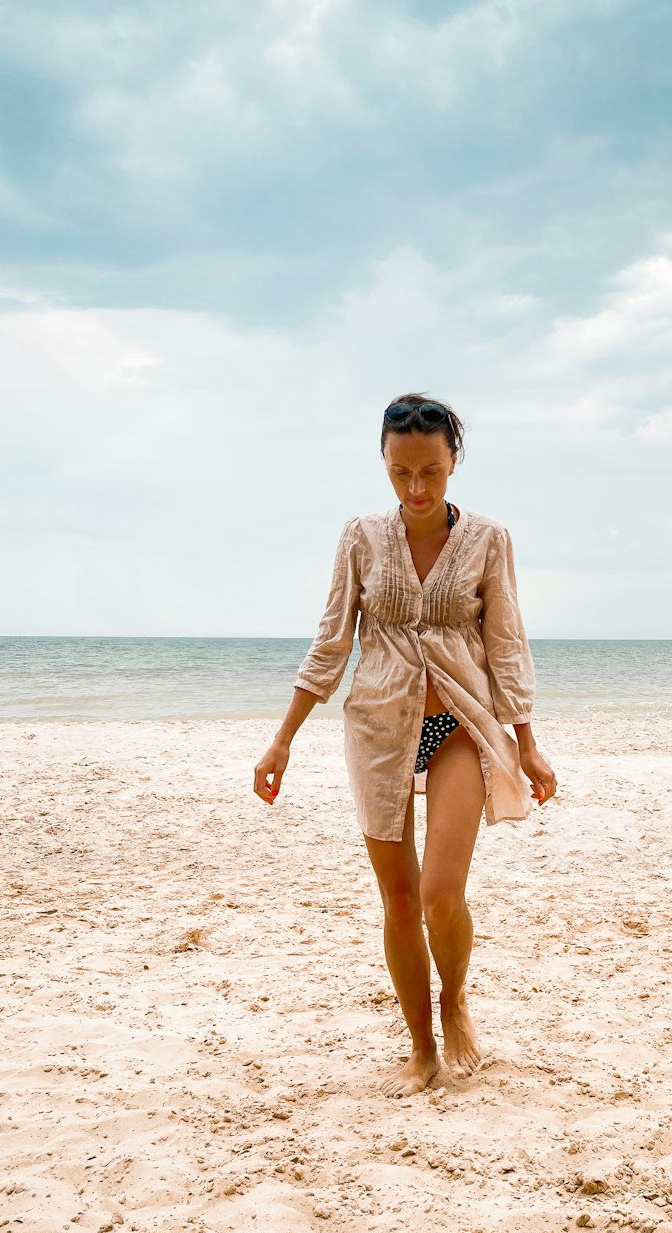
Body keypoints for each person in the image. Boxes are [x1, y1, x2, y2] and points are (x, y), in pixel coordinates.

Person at [253, 393, 556, 1097]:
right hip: (378, 728)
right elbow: (331, 643)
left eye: (430, 472)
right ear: (384, 465)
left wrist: (528, 742)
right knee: (397, 899)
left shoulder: (488, 539)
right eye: (400, 473)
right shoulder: (360, 537)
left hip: (459, 722)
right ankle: (421, 1048)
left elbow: (506, 643)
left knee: (440, 896)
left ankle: (455, 1000)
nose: (416, 489)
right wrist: (282, 741)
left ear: (454, 462)